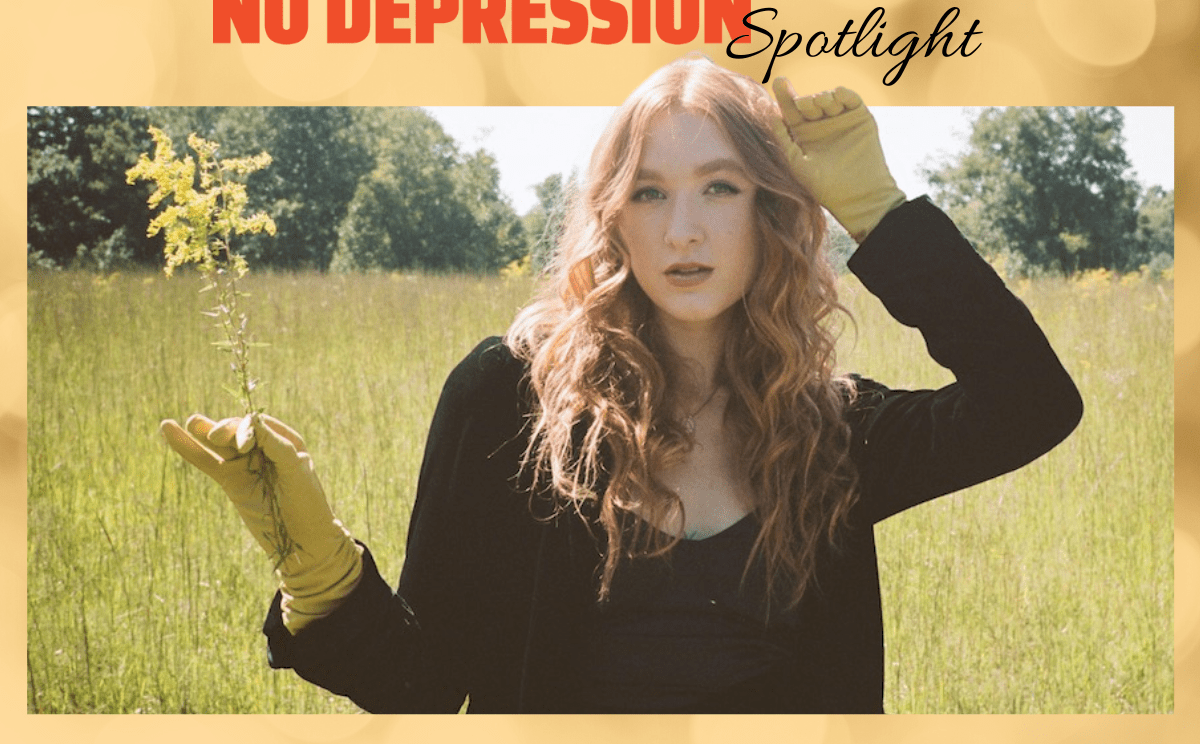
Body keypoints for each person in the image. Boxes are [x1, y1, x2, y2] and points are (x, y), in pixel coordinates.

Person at [161, 55, 1083, 713]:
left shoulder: (828, 432)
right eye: (649, 192)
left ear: (771, 215)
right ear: (614, 221)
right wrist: (316, 568)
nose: (684, 230)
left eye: (720, 188)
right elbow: (427, 685)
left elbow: (1033, 402)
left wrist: (878, 209)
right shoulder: (508, 403)